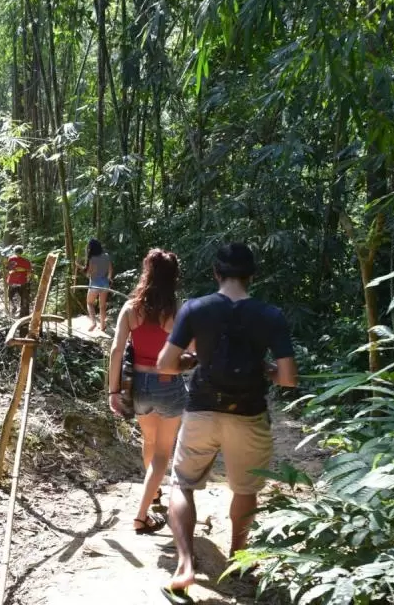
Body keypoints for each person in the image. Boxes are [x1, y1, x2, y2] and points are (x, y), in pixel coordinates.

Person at [156, 243, 298, 603]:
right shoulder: (271, 315)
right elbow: (288, 379)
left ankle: (186, 564)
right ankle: (238, 557)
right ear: (252, 276)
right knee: (245, 489)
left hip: (202, 408)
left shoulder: (196, 308)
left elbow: (165, 364)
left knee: (183, 483)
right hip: (248, 413)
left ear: (216, 273)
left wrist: (191, 362)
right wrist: (265, 368)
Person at [107, 249, 186, 535]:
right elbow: (190, 352)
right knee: (164, 452)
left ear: (147, 273)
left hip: (138, 386)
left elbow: (116, 351)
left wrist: (113, 391)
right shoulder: (177, 311)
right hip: (168, 385)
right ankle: (141, 516)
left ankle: (152, 494)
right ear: (173, 277)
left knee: (149, 441)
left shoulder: (130, 309)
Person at [81, 238, 113, 332]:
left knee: (89, 303)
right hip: (105, 284)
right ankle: (103, 326)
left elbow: (88, 274)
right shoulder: (106, 256)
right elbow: (110, 270)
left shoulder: (92, 259)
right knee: (102, 306)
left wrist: (84, 270)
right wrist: (109, 279)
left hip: (95, 284)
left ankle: (93, 322)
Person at [6, 245, 33, 317]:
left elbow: (9, 269)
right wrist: (23, 271)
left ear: (14, 251)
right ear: (22, 252)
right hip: (22, 281)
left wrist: (17, 269)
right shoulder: (26, 261)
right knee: (23, 297)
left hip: (13, 281)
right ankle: (23, 314)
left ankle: (14, 306)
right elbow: (29, 272)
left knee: (10, 295)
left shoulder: (11, 259)